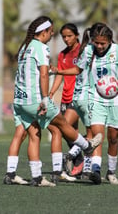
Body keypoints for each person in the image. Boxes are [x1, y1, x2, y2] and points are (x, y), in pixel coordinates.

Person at [8, 15, 102, 187]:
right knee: (63, 124)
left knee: (35, 135)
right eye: (51, 32)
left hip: (19, 100)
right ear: (43, 32)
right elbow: (43, 73)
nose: (52, 35)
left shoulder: (25, 47)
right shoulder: (40, 48)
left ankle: (36, 177)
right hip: (34, 99)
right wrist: (45, 98)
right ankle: (87, 146)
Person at [55, 22, 118, 185]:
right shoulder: (88, 50)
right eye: (97, 42)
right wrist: (58, 71)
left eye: (103, 43)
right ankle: (95, 169)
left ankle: (111, 171)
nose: (100, 46)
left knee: (113, 137)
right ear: (92, 40)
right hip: (96, 99)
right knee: (97, 135)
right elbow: (77, 70)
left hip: (116, 100)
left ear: (110, 40)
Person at [49, 23, 84, 177]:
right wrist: (51, 93)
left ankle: (78, 159)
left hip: (79, 96)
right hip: (66, 97)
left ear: (77, 35)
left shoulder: (83, 50)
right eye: (63, 36)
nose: (66, 39)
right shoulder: (62, 55)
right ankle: (81, 162)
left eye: (69, 36)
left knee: (65, 127)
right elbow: (59, 75)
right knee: (71, 132)